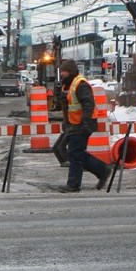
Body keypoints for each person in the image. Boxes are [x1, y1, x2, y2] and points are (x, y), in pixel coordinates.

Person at [53, 59, 110, 193]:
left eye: (64, 71)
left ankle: (74, 184)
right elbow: (68, 106)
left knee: (74, 153)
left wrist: (85, 123)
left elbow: (88, 104)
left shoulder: (80, 84)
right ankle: (102, 170)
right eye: (61, 71)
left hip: (82, 124)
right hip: (74, 124)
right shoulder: (68, 84)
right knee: (76, 153)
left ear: (70, 71)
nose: (62, 74)